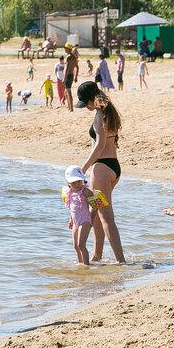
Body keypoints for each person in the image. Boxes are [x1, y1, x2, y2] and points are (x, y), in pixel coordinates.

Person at [76, 81, 125, 263]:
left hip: (101, 168)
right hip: (113, 167)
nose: (86, 107)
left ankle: (120, 260)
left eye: (85, 104)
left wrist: (84, 168)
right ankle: (97, 256)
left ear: (91, 100)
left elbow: (100, 145)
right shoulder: (109, 111)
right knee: (96, 216)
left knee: (106, 218)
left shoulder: (100, 115)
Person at [63, 166, 95, 265]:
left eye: (79, 181)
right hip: (76, 221)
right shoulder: (70, 192)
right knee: (76, 246)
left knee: (81, 245)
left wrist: (92, 219)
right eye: (73, 182)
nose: (77, 184)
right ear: (68, 183)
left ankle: (86, 266)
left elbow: (95, 206)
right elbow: (72, 207)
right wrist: (71, 219)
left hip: (85, 220)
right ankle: (80, 264)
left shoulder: (85, 191)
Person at [63, 43, 79, 112]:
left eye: (65, 48)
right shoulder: (74, 57)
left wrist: (64, 77)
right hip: (71, 75)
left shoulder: (68, 57)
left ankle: (70, 108)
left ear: (68, 49)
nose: (64, 49)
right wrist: (75, 76)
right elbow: (77, 67)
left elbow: (66, 68)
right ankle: (69, 107)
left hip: (68, 75)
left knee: (68, 92)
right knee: (66, 92)